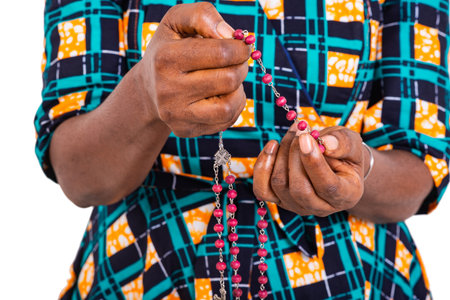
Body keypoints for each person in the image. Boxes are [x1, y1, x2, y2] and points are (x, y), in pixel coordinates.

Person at [35, 0, 449, 299]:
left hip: (350, 277)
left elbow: (420, 164)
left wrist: (361, 169)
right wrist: (145, 95)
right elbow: (80, 176)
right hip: (148, 267)